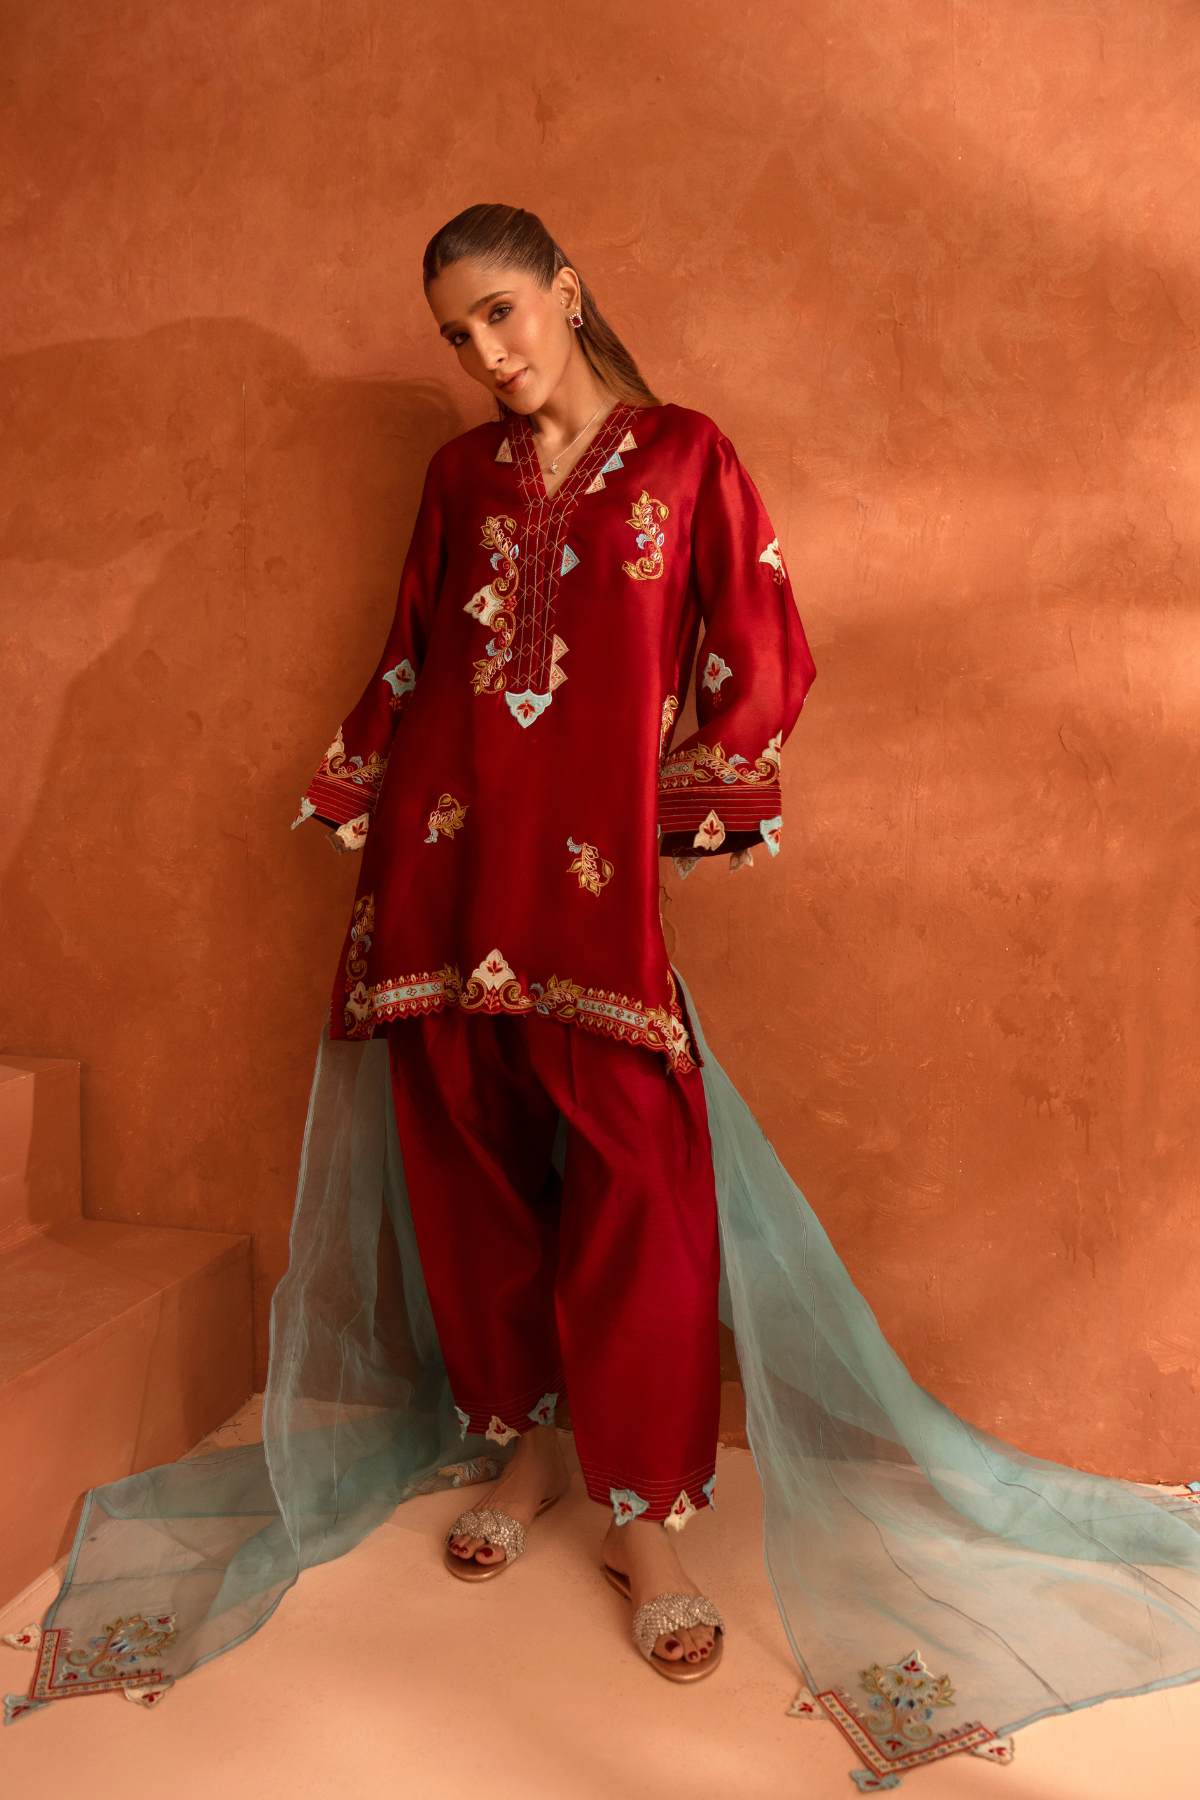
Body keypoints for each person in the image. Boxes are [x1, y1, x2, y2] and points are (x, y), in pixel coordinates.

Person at [294, 201, 816, 1679]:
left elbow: (765, 637)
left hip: (588, 891)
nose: (485, 353)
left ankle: (640, 1512)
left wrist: (706, 786)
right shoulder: (458, 474)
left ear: (566, 293)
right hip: (447, 880)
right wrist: (354, 784)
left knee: (641, 1188)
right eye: (458, 335)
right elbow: (414, 652)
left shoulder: (689, 455)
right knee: (469, 1170)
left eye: (502, 315)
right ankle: (522, 1454)